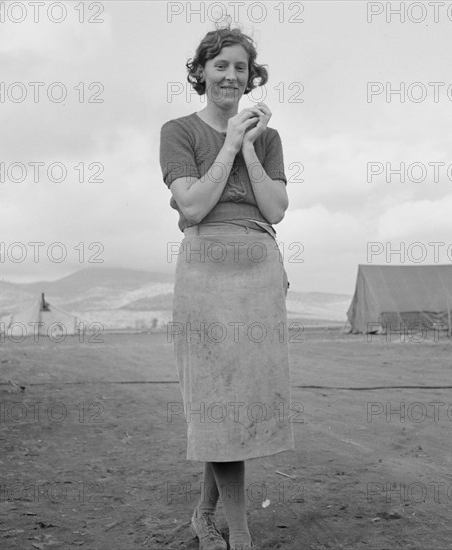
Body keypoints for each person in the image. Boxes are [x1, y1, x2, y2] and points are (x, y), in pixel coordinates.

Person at [159, 26, 294, 550]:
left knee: (243, 400)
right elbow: (192, 206)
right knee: (219, 402)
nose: (230, 76)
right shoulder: (178, 131)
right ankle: (238, 530)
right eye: (220, 66)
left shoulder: (271, 139)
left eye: (240, 68)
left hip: (258, 269)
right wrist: (230, 142)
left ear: (250, 76)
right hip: (206, 272)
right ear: (201, 72)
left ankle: (204, 513)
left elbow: (276, 209)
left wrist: (252, 148)